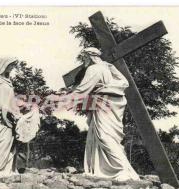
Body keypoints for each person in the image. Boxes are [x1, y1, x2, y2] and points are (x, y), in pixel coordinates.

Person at [54, 47, 140, 181]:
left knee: (104, 136)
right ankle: (103, 170)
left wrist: (63, 97)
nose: (83, 61)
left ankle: (122, 169)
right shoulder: (108, 67)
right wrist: (109, 87)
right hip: (111, 104)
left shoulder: (93, 69)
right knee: (102, 136)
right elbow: (124, 83)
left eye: (84, 58)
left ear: (89, 56)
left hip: (104, 105)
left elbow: (82, 90)